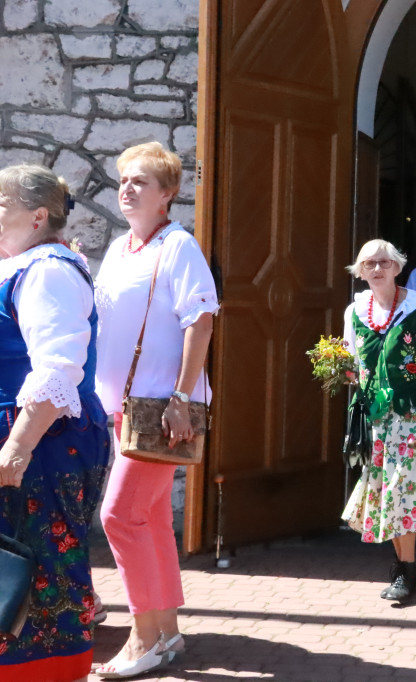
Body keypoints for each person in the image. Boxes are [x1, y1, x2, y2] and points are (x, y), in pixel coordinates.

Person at [93, 142, 219, 678]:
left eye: (141, 181)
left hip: (162, 409)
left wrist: (182, 398)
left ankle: (143, 637)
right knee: (149, 519)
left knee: (119, 516)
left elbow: (202, 320)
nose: (128, 188)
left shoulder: (179, 245)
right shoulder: (120, 247)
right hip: (122, 408)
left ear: (167, 194)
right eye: (124, 179)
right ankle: (165, 631)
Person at [0, 165, 110, 682]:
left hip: (44, 439)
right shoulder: (24, 264)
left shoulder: (47, 269)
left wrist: (16, 448)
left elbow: (58, 366)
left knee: (39, 571)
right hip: (35, 434)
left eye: (0, 203)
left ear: (37, 215)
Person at [342, 239, 416, 603]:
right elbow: (353, 362)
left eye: (384, 262)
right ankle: (405, 569)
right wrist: (346, 376)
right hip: (377, 417)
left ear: (397, 267)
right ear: (360, 271)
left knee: (401, 491)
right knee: (386, 493)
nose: (377, 269)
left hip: (414, 414)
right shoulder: (355, 311)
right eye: (369, 263)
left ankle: (405, 572)